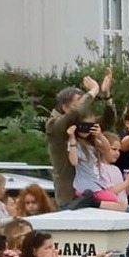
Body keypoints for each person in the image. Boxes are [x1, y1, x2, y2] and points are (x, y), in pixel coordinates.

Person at [46, 72, 113, 207]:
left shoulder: (80, 126)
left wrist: (106, 95)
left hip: (91, 193)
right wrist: (93, 91)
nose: (84, 107)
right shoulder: (53, 125)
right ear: (65, 107)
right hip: (69, 198)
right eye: (80, 102)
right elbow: (75, 113)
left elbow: (107, 121)